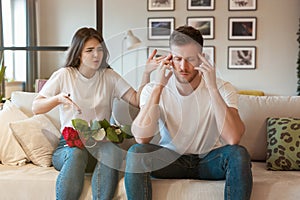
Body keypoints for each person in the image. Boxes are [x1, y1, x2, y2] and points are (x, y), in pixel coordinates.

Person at [124, 25, 253, 200]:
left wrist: (212, 88)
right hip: (170, 160)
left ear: (202, 59)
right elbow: (141, 138)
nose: (183, 67)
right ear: (170, 58)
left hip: (209, 160)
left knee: (239, 153)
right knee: (136, 152)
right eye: (178, 59)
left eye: (190, 59)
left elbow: (233, 138)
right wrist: (158, 87)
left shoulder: (223, 87)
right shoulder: (153, 89)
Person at [32, 27, 158, 200]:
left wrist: (146, 72)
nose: (96, 55)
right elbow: (36, 107)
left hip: (100, 144)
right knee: (76, 153)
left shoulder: (109, 76)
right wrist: (58, 99)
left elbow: (137, 99)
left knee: (112, 151)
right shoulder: (64, 75)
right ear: (78, 54)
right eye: (89, 51)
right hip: (68, 147)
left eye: (99, 50)